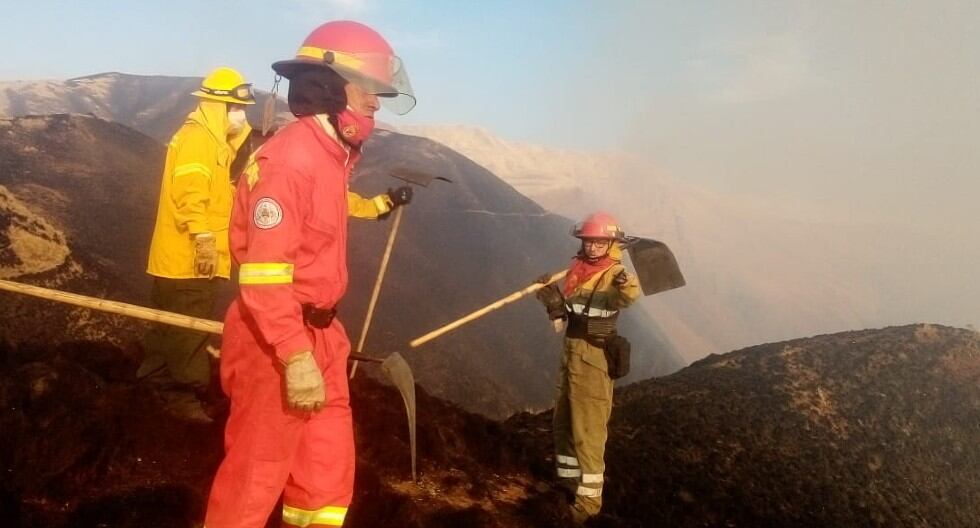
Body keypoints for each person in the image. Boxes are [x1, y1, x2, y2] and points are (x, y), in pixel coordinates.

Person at [204, 20, 416, 528]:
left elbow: (327, 220)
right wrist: (295, 356)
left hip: (322, 335)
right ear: (331, 86)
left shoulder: (329, 157)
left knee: (323, 473)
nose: (376, 103)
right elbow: (263, 276)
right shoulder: (289, 160)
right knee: (254, 479)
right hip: (276, 344)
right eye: (369, 88)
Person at [140, 66, 254, 418]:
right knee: (190, 328)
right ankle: (182, 396)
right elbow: (190, 192)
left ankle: (154, 383)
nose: (241, 115)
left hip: (176, 257)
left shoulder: (211, 140)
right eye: (237, 109)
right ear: (219, 106)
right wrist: (203, 238)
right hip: (192, 258)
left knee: (168, 325)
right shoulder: (200, 140)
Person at [536, 211, 641, 524]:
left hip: (593, 360)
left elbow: (626, 297)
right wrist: (554, 303)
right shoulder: (578, 268)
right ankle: (567, 484)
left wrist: (626, 282)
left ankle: (587, 505)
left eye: (600, 242)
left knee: (589, 431)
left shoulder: (614, 273)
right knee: (564, 423)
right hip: (571, 352)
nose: (593, 246)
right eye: (589, 241)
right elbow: (572, 311)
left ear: (610, 244)